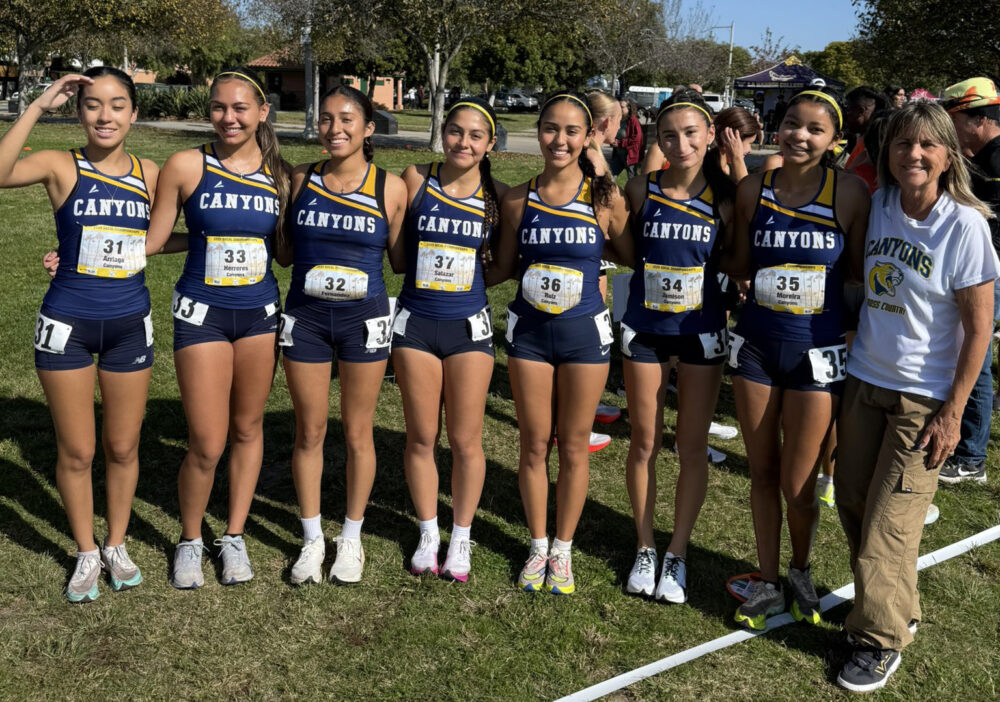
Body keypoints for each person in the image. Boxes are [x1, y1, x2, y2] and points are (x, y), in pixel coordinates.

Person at [834, 101, 998, 693]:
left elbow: (980, 329)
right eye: (904, 144)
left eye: (928, 145)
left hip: (923, 401)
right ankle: (892, 607)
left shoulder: (965, 226)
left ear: (948, 154)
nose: (915, 155)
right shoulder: (877, 205)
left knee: (889, 527)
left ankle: (878, 641)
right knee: (853, 502)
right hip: (864, 382)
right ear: (889, 154)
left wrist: (953, 413)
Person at [0, 69, 156, 603]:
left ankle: (116, 543)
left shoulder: (151, 173)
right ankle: (86, 549)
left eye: (117, 105)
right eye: (92, 105)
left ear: (134, 113)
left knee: (123, 444)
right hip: (66, 323)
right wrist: (41, 103)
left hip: (130, 325)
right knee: (76, 449)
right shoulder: (60, 164)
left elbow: (169, 236)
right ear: (78, 112)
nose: (105, 116)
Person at [723, 89, 870, 630]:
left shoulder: (851, 193)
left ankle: (801, 569)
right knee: (761, 472)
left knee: (800, 483)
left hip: (817, 352)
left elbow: (855, 274)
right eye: (790, 123)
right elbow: (738, 259)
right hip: (757, 346)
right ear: (775, 127)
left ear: (835, 140)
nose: (799, 136)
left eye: (814, 129)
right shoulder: (752, 188)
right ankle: (767, 579)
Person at [144, 68, 288, 589]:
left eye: (240, 108)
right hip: (202, 313)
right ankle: (188, 539)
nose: (229, 117)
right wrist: (73, 256)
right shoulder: (186, 164)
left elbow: (288, 249)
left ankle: (233, 535)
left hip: (258, 315)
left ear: (261, 113)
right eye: (219, 107)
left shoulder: (281, 175)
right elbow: (155, 239)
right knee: (207, 441)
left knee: (248, 429)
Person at [490, 92, 629, 594]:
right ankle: (537, 544)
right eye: (551, 128)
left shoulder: (603, 197)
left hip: (584, 338)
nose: (560, 140)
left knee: (573, 446)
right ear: (538, 131)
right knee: (532, 444)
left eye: (573, 131)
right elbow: (503, 267)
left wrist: (606, 184)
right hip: (528, 335)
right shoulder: (515, 199)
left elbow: (631, 251)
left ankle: (564, 551)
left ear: (588, 135)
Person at [278, 86, 407, 585]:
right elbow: (283, 253)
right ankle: (312, 539)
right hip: (306, 321)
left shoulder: (389, 188)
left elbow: (400, 261)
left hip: (364, 322)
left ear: (369, 128)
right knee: (309, 431)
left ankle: (350, 537)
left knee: (358, 431)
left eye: (348, 119)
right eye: (327, 119)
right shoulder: (299, 179)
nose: (335, 128)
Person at [619, 90, 735, 602]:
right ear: (658, 140)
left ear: (710, 136)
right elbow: (623, 250)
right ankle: (645, 544)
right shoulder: (641, 189)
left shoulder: (729, 197)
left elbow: (740, 262)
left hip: (701, 333)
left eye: (692, 133)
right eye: (670, 135)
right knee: (644, 442)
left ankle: (678, 552)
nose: (681, 143)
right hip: (644, 330)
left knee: (690, 448)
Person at [393, 98, 506, 581]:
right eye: (455, 131)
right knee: (421, 435)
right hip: (416, 324)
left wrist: (472, 286)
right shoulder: (416, 178)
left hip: (467, 328)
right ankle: (428, 531)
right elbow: (398, 255)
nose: (463, 142)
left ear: (490, 144)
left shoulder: (497, 195)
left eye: (475, 135)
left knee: (465, 439)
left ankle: (461, 536)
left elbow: (505, 261)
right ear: (443, 133)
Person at [938, 77, 1000, 484]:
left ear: (978, 119)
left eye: (953, 118)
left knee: (973, 358)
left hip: (989, 275)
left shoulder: (996, 162)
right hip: (982, 271)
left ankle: (971, 456)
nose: (949, 127)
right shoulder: (983, 156)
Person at [713, 106, 761, 183]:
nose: (750, 150)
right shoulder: (708, 172)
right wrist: (737, 158)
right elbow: (746, 192)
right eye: (750, 143)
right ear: (731, 138)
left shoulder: (729, 168)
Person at [612, 100, 644, 178]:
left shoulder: (634, 121)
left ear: (629, 108)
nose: (619, 109)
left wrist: (620, 143)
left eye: (622, 107)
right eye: (618, 107)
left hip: (630, 157)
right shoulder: (618, 119)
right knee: (609, 177)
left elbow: (637, 140)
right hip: (618, 155)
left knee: (632, 181)